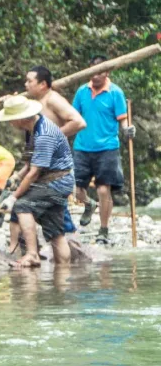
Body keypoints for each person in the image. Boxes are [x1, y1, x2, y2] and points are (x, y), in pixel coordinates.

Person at [7, 65, 87, 253]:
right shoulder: (36, 104)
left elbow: (79, 122)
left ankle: (41, 251)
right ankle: (24, 248)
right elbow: (31, 165)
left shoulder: (52, 100)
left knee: (27, 205)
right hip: (44, 167)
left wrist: (53, 138)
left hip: (55, 170)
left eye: (29, 81)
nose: (26, 84)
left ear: (43, 84)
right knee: (45, 214)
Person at [0, 96, 75, 268]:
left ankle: (32, 255)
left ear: (21, 118)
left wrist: (13, 198)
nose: (9, 124)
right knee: (56, 233)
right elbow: (30, 163)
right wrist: (16, 177)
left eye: (11, 120)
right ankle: (63, 278)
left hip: (56, 182)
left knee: (23, 205)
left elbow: (34, 173)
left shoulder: (44, 133)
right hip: (53, 180)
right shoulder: (32, 129)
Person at [72, 55, 135, 244]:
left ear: (107, 72)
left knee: (103, 189)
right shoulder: (82, 91)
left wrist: (127, 130)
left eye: (100, 71)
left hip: (107, 147)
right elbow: (72, 116)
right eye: (93, 71)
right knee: (76, 189)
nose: (96, 75)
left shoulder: (115, 92)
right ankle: (89, 205)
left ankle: (104, 229)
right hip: (82, 146)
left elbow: (122, 119)